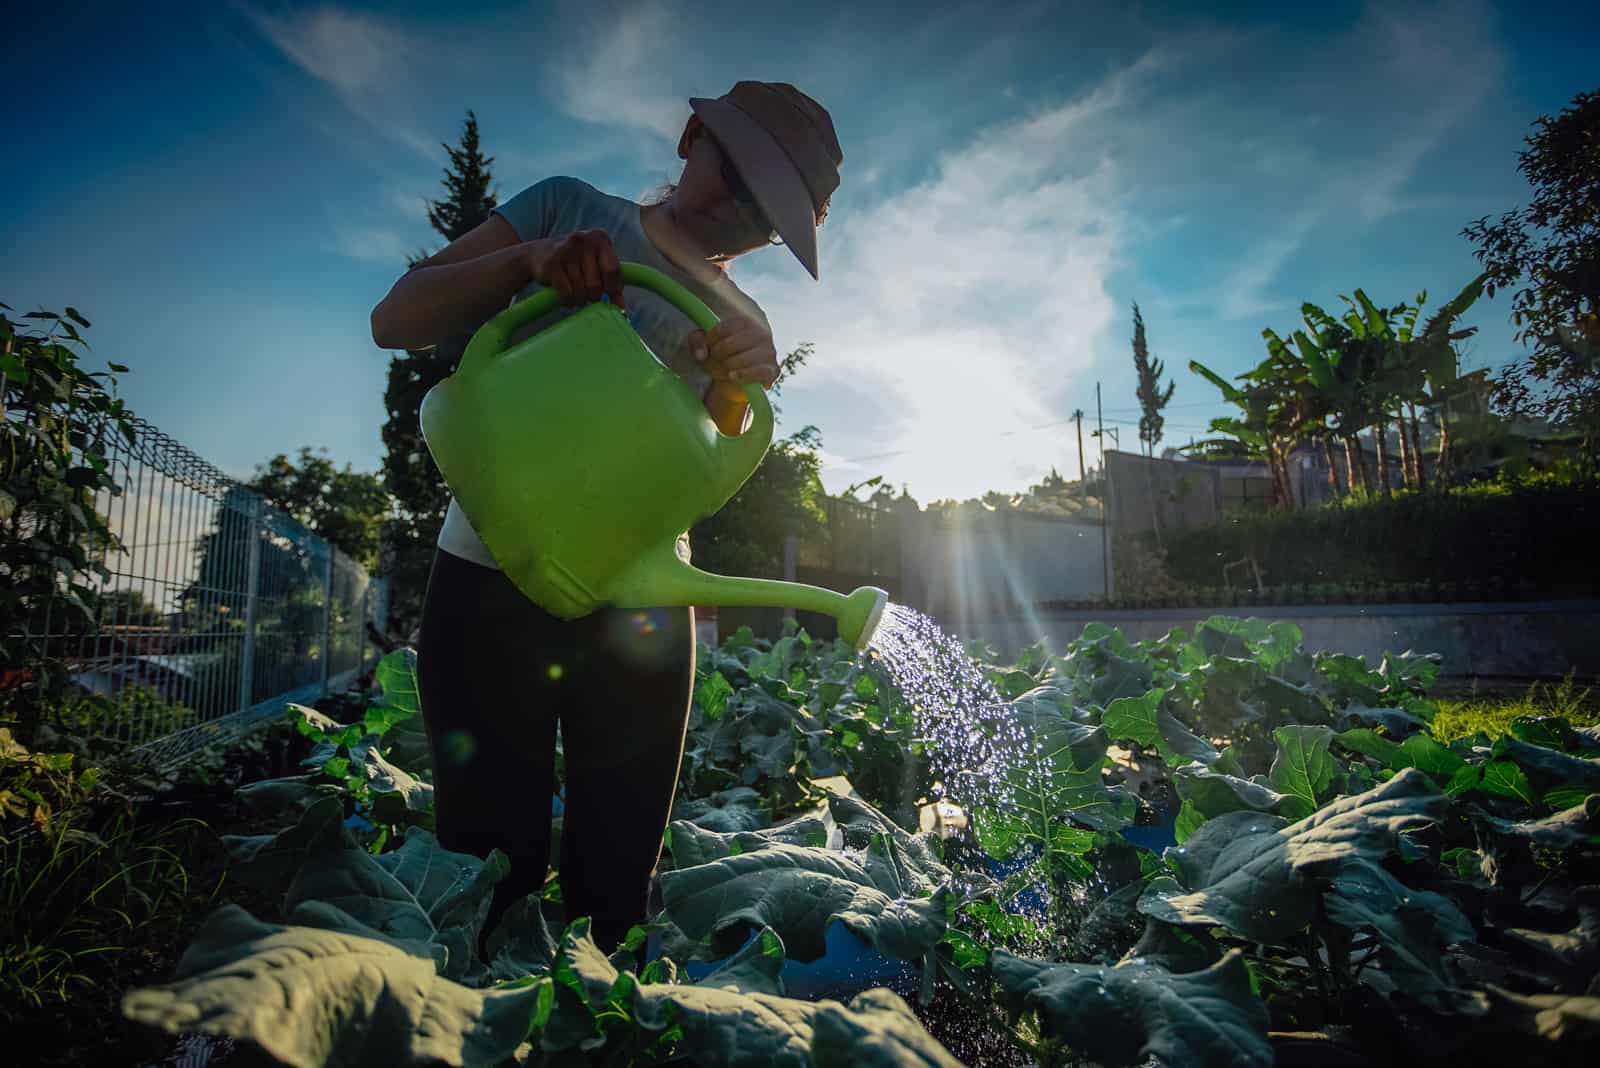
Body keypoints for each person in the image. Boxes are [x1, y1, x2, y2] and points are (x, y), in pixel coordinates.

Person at [369, 81, 844, 952]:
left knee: (617, 889)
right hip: (487, 585)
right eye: (734, 173)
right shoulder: (569, 211)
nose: (739, 212)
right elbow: (394, 319)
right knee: (487, 872)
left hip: (640, 612)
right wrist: (529, 261)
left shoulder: (744, 324)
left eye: (767, 214)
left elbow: (708, 466)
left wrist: (737, 388)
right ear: (692, 136)